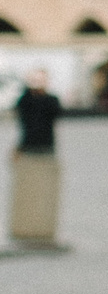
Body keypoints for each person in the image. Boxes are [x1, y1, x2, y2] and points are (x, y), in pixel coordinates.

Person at [11, 70, 64, 245]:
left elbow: (55, 112)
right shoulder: (26, 100)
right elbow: (22, 116)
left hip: (46, 147)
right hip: (29, 147)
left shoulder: (50, 100)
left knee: (44, 187)